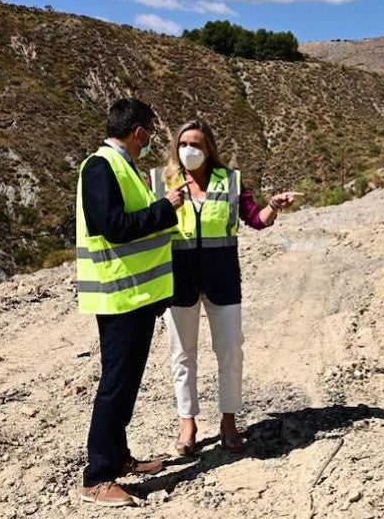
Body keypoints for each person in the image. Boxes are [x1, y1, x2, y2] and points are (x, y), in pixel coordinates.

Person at [151, 119, 301, 457]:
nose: (190, 150)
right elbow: (150, 226)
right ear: (177, 147)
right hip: (178, 281)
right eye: (184, 143)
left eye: (197, 144)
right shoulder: (163, 182)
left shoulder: (230, 180)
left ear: (209, 148)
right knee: (182, 354)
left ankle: (229, 420)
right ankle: (187, 422)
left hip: (223, 280)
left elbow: (255, 219)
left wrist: (274, 206)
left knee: (231, 350)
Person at [75, 98, 191, 508]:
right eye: (150, 133)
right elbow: (113, 227)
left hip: (137, 296)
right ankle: (98, 477)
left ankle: (118, 457)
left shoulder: (124, 168)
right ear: (139, 132)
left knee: (125, 386)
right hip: (119, 297)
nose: (150, 141)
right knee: (116, 385)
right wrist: (165, 209)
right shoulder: (100, 166)